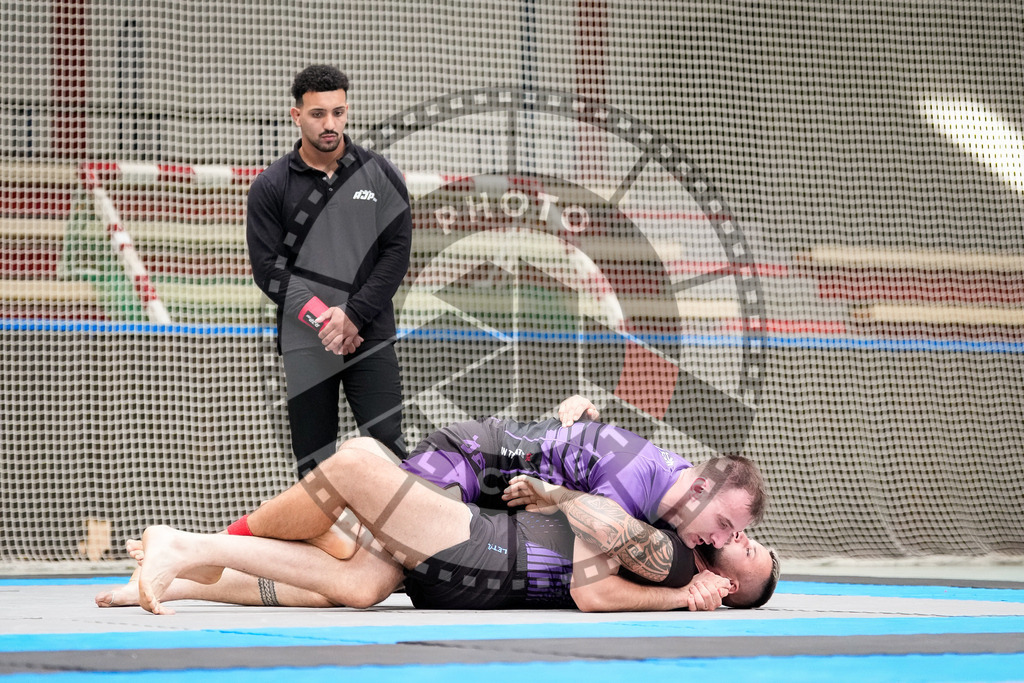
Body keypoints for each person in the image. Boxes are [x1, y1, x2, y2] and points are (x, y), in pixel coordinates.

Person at [97, 437, 775, 615]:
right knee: (357, 474)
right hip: (473, 498)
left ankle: (181, 570)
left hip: (482, 538)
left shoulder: (681, 542)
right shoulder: (668, 540)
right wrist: (556, 488)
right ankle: (190, 545)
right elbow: (593, 590)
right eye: (733, 529)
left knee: (359, 583)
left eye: (738, 545)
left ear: (728, 584)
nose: (727, 539)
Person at [246, 64, 412, 475]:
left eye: (338, 112)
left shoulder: (381, 174)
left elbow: (396, 253)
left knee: (388, 453)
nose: (330, 124)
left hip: (369, 336)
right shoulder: (271, 185)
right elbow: (268, 269)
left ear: (347, 111)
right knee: (314, 465)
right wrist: (326, 320)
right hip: (305, 342)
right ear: (296, 115)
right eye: (318, 114)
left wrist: (353, 315)